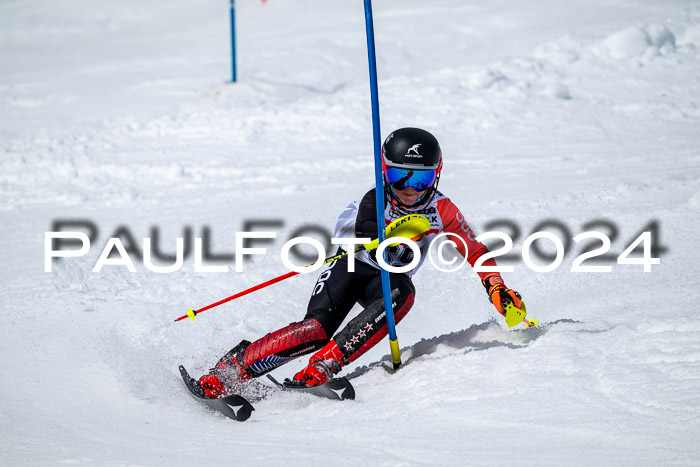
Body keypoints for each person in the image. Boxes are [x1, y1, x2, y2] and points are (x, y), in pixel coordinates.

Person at [196, 127, 529, 399]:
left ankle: (324, 365)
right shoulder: (373, 201)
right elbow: (350, 233)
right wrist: (383, 236)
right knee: (315, 330)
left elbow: (474, 249)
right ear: (384, 171)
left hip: (387, 281)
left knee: (403, 293)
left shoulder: (443, 211)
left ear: (436, 178)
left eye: (421, 181)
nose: (410, 190)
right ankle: (231, 370)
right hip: (350, 268)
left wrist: (495, 286)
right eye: (400, 177)